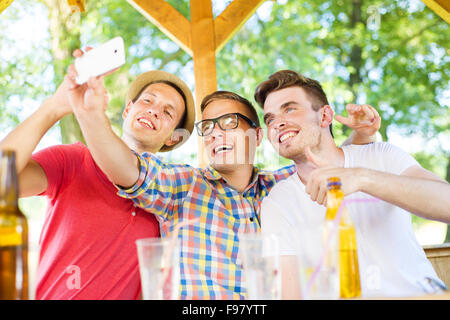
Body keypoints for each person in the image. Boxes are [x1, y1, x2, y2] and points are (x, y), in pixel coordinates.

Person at [69, 57, 381, 300]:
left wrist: (362, 136)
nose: (216, 132)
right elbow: (128, 170)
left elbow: (328, 161)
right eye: (208, 127)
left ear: (257, 136)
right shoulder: (182, 185)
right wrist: (90, 114)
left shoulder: (282, 186)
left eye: (229, 122)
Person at [0, 48, 196, 299]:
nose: (154, 110)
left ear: (172, 138)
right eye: (148, 100)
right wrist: (55, 107)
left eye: (168, 112)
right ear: (127, 110)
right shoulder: (73, 160)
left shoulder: (170, 199)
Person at [255, 70, 450, 298]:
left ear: (325, 116)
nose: (277, 123)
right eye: (270, 118)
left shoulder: (381, 155)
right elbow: (288, 294)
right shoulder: (278, 202)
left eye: (290, 109)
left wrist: (362, 178)